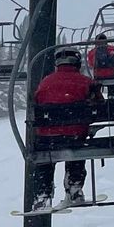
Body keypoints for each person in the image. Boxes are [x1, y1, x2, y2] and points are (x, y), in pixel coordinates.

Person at [29, 46, 96, 210]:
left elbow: (36, 102)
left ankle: (42, 195)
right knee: (77, 150)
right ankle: (75, 188)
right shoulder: (86, 82)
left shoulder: (46, 82)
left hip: (47, 137)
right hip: (75, 136)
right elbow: (97, 106)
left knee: (44, 159)